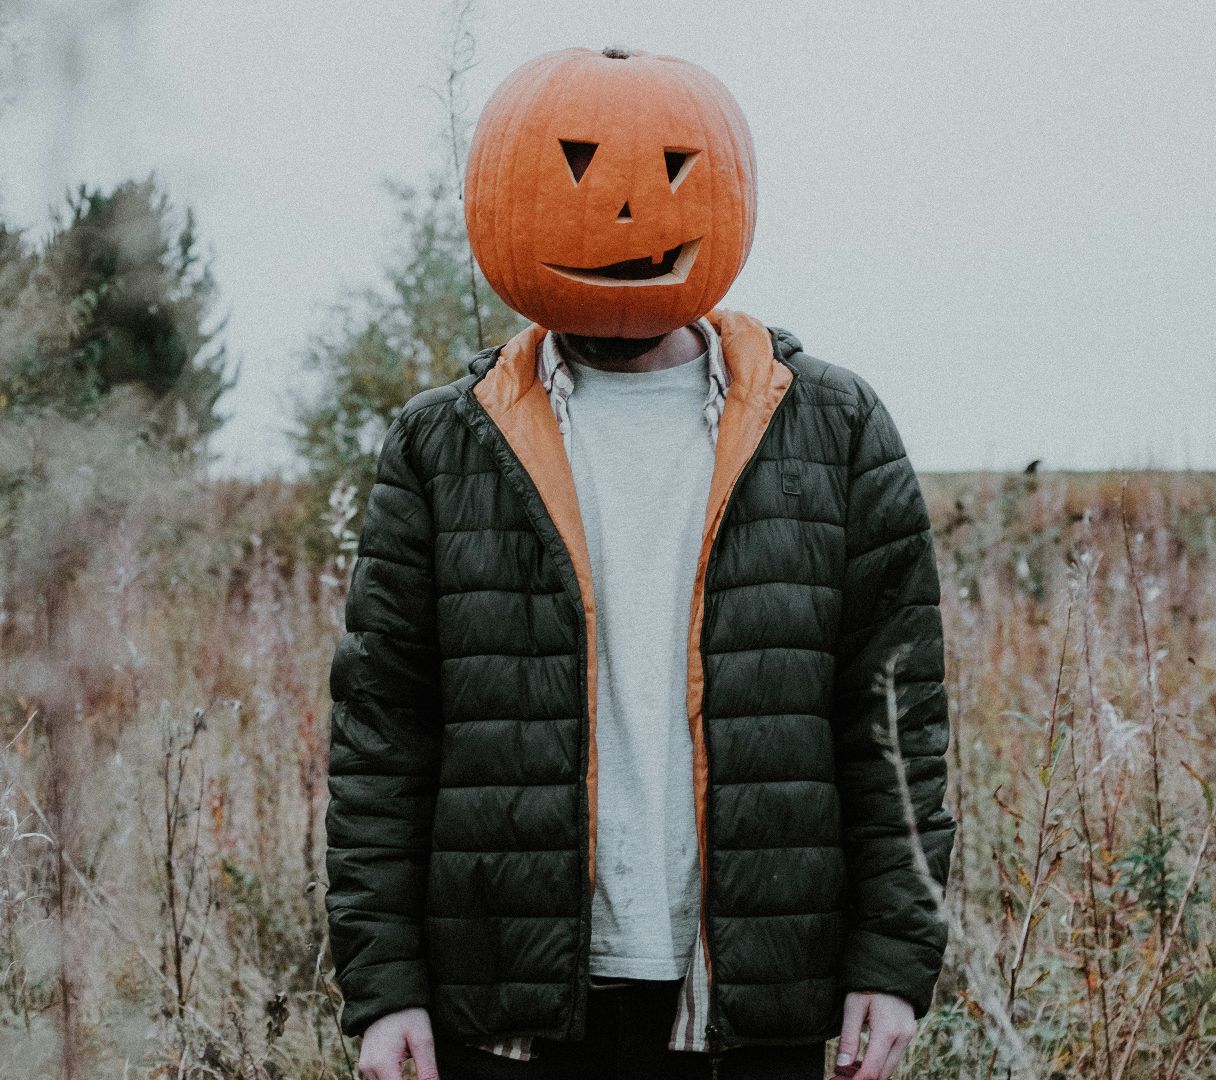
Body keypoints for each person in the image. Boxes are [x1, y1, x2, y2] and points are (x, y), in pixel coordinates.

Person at [325, 45, 954, 1080]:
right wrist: (383, 983)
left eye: (669, 172)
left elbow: (894, 720)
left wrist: (892, 958)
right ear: (503, 198)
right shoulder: (445, 445)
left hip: (764, 995)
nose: (623, 213)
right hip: (512, 999)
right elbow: (384, 731)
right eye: (574, 166)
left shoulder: (831, 428)